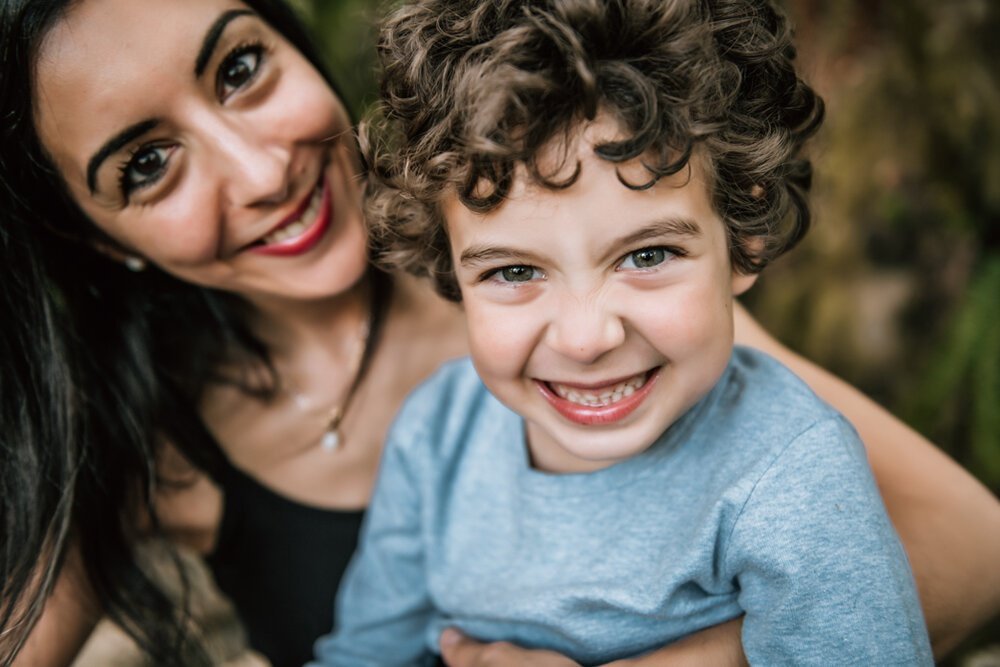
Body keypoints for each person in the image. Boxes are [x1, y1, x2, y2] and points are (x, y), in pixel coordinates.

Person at [0, 0, 997, 665]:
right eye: (146, 163)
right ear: (89, 236)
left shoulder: (719, 389)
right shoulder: (434, 431)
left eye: (243, 67)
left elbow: (966, 549)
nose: (259, 173)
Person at [311, 0, 932, 663]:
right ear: (450, 269)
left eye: (647, 255)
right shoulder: (436, 434)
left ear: (744, 236)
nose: (585, 338)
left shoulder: (792, 472)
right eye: (515, 269)